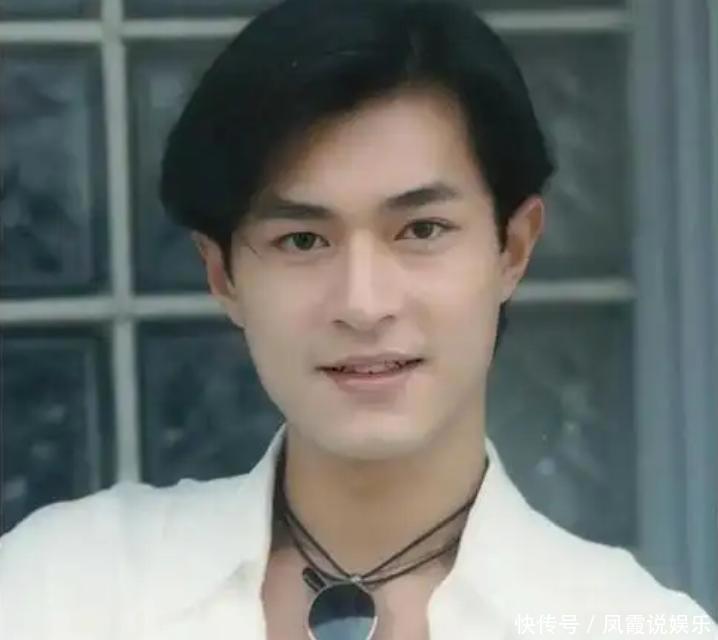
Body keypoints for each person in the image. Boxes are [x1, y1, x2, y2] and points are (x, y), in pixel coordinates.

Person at [1, 1, 716, 638]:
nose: (364, 304)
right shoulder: (63, 590)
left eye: (422, 230)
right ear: (223, 275)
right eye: (302, 240)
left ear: (513, 248)